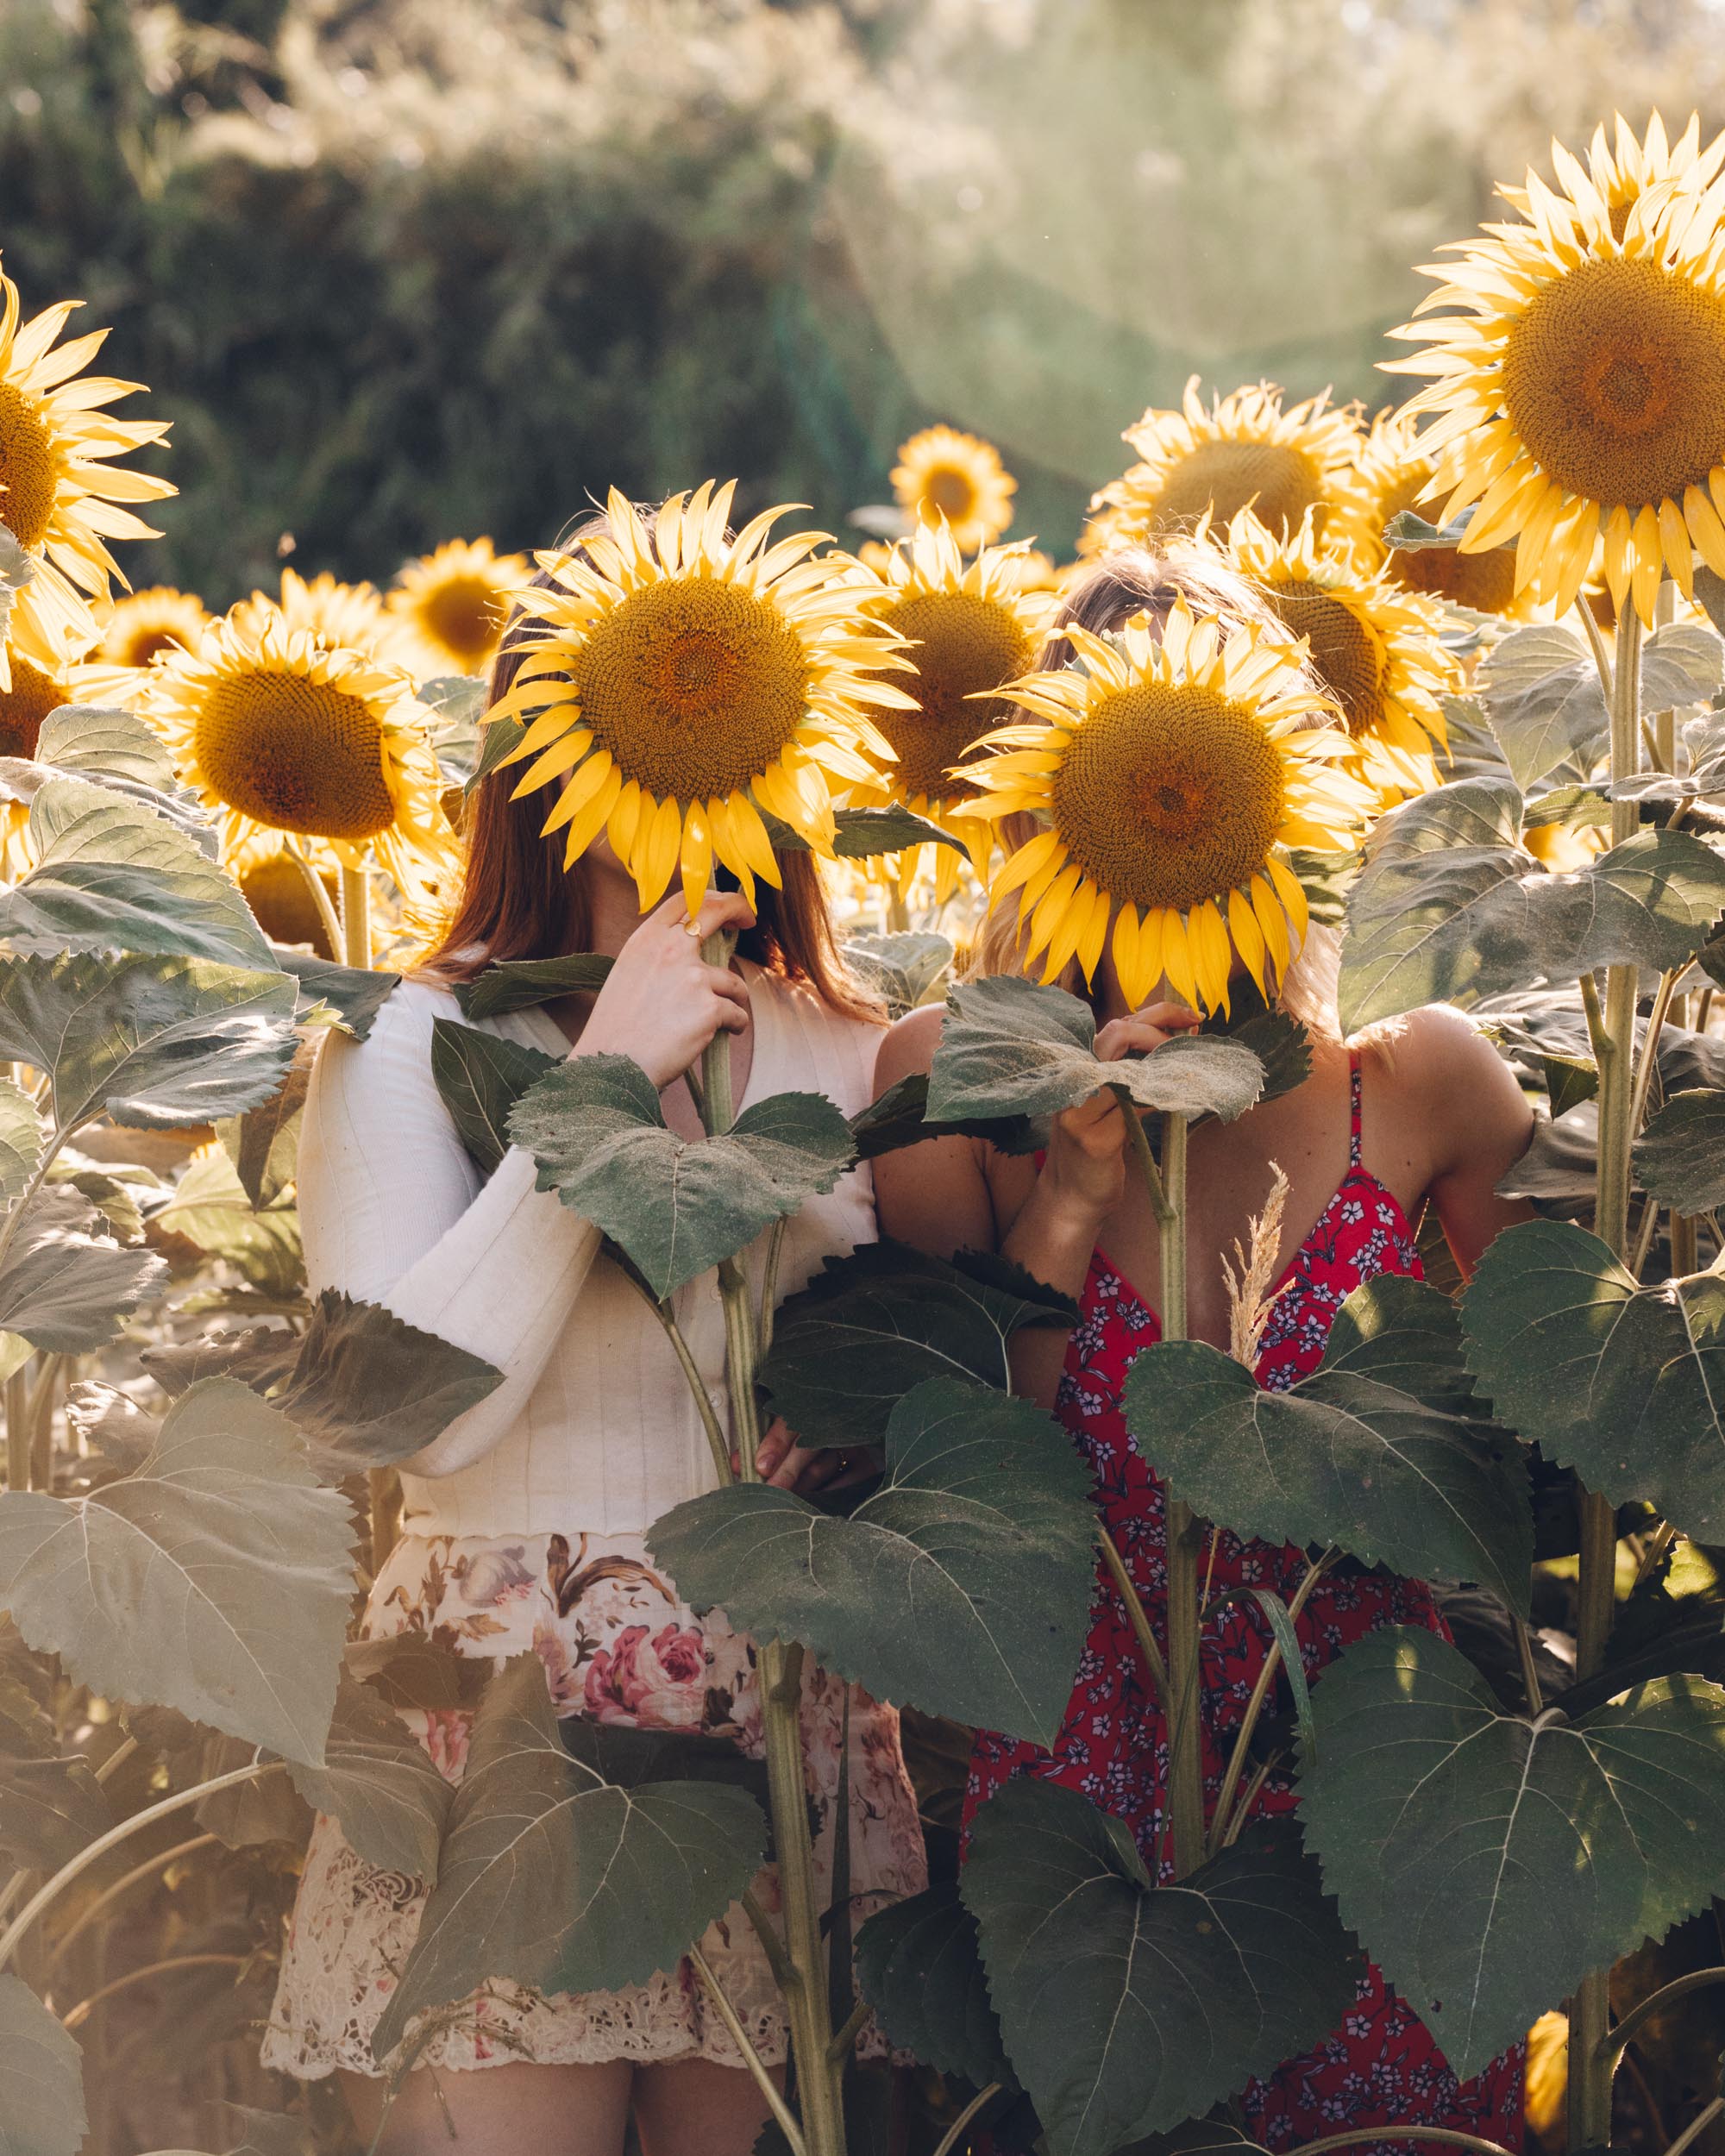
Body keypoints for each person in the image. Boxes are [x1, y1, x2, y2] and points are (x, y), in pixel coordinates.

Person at [261, 542, 926, 2156]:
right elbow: (418, 1418)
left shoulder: (856, 1041)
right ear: (537, 755)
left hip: (781, 1707)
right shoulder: (412, 1042)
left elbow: (921, 1363)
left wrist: (866, 1440)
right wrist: (598, 1102)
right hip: (503, 1726)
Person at [870, 543, 1535, 2149]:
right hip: (1091, 1807)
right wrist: (1074, 1193)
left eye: (1209, 782)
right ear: (1047, 813)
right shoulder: (945, 1082)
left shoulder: (1421, 1076)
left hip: (1378, 1764)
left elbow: (1529, 1422)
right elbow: (986, 1494)